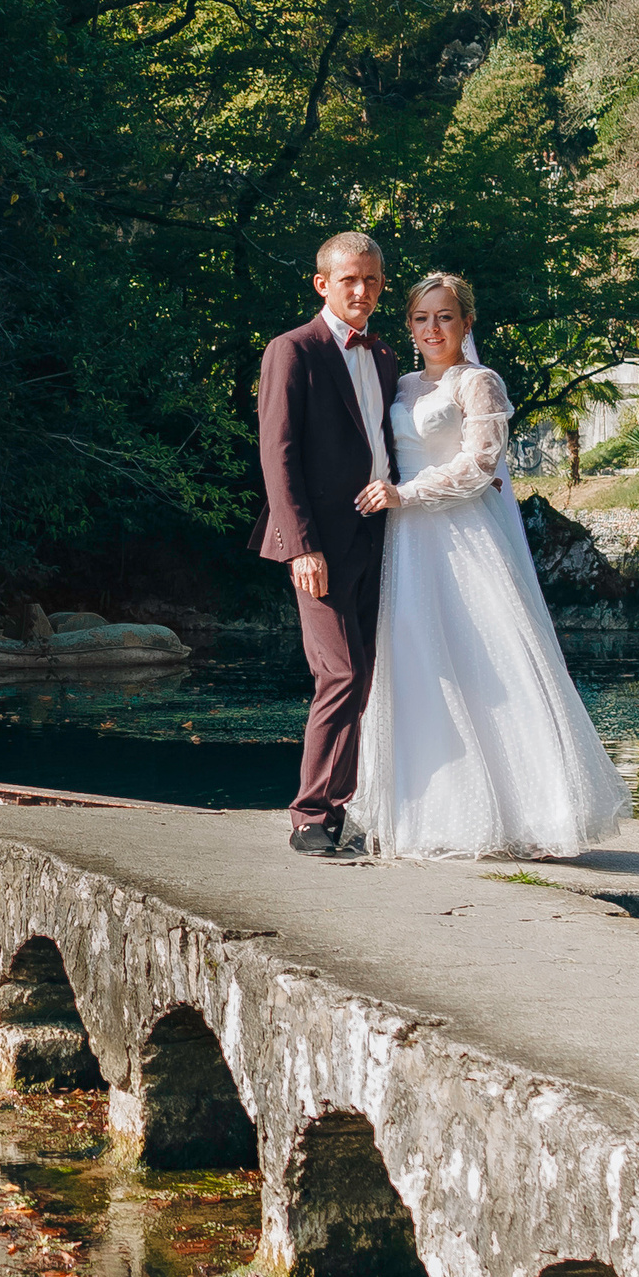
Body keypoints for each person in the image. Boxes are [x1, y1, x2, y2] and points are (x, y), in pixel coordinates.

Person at [349, 273, 631, 859]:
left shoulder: (478, 383)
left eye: (445, 317)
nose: (433, 328)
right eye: (422, 318)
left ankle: (530, 812)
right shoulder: (399, 385)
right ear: (408, 324)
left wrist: (407, 493)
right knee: (420, 665)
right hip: (408, 545)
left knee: (487, 665)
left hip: (462, 537)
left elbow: (480, 466)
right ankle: (431, 818)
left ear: (466, 323)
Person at [250, 232, 400, 858]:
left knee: (362, 680)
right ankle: (309, 814)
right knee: (338, 672)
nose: (361, 291)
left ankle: (338, 809)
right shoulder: (293, 350)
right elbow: (276, 456)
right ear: (323, 285)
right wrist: (300, 546)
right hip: (317, 546)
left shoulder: (386, 355)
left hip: (379, 541)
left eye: (371, 280)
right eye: (349, 281)